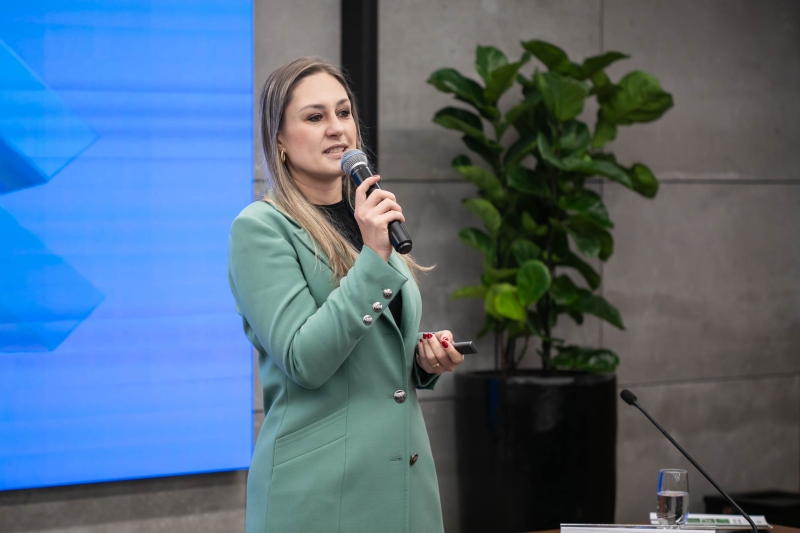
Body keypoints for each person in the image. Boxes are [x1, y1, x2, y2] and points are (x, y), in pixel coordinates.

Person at [227, 56, 465, 533]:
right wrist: (373, 259)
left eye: (344, 113)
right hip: (319, 495)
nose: (337, 128)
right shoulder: (260, 229)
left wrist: (421, 361)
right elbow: (305, 360)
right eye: (315, 117)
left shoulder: (368, 220)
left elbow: (369, 353)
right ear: (279, 139)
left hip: (402, 487)